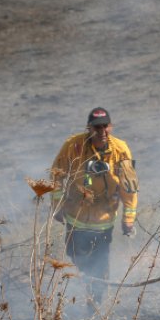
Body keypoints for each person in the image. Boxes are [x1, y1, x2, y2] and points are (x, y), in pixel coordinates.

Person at [50, 107, 138, 304]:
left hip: (104, 220)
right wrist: (57, 204)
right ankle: (88, 279)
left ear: (111, 126)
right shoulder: (73, 146)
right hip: (76, 217)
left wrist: (128, 218)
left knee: (100, 263)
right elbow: (57, 174)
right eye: (97, 127)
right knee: (75, 255)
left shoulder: (121, 149)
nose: (102, 131)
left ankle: (96, 300)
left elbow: (129, 187)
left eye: (105, 126)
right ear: (88, 128)